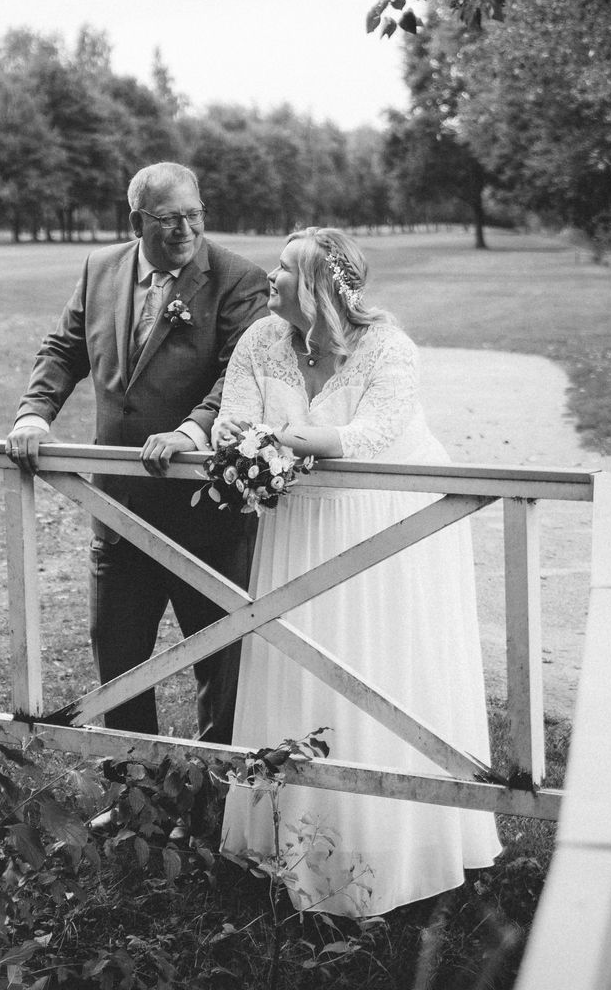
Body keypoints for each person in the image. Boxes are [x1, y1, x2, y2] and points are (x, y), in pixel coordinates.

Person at [213, 227, 501, 917]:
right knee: (298, 667)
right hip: (297, 528)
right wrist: (247, 442)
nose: (270, 279)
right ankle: (293, 844)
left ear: (316, 287)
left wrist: (272, 444)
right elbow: (232, 421)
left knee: (381, 667)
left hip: (385, 527)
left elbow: (367, 436)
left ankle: (396, 841)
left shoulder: (390, 348)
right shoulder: (260, 340)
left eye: (284, 270)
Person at [7, 163, 268, 743]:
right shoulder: (100, 268)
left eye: (194, 215)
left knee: (220, 666)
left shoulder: (238, 279)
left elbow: (239, 377)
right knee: (118, 661)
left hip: (208, 517)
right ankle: (133, 804)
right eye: (169, 219)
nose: (185, 230)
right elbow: (64, 348)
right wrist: (34, 413)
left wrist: (193, 433)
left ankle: (210, 807)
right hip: (119, 512)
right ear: (136, 221)